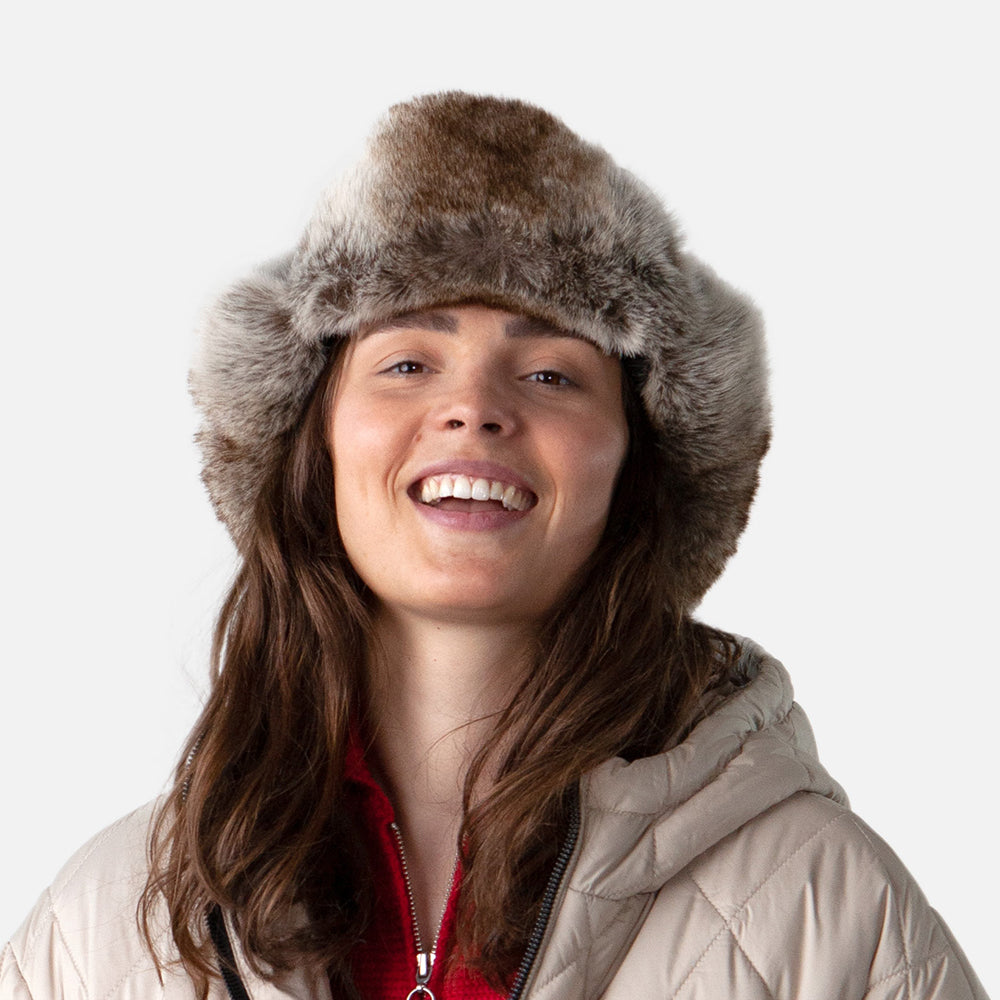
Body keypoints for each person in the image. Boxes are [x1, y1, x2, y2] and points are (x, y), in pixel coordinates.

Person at [0, 92, 988, 1000]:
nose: (472, 407)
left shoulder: (825, 903)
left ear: (634, 466)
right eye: (407, 362)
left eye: (551, 374)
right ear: (314, 443)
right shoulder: (108, 926)